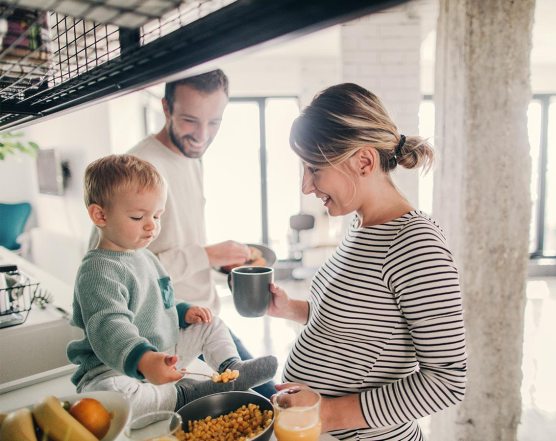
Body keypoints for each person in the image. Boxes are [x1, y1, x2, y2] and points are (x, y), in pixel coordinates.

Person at [268, 83, 467, 440]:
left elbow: (446, 381)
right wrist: (291, 309)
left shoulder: (416, 244)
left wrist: (325, 413)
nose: (306, 186)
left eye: (314, 169)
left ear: (363, 161)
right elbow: (357, 325)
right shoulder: (361, 225)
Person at [89, 69, 276, 397]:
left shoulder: (190, 158)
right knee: (259, 404)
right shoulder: (138, 167)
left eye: (214, 122)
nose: (202, 135)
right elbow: (113, 264)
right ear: (166, 108)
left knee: (268, 398)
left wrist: (219, 265)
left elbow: (173, 242)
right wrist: (206, 254)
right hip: (167, 335)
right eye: (190, 120)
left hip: (202, 317)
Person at [68, 154, 277, 417]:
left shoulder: (144, 256)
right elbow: (110, 327)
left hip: (162, 352)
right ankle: (185, 394)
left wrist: (183, 311)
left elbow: (160, 300)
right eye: (137, 217)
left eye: (157, 216)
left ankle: (231, 368)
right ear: (100, 215)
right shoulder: (98, 271)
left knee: (209, 322)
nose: (151, 226)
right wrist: (144, 360)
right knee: (115, 398)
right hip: (113, 368)